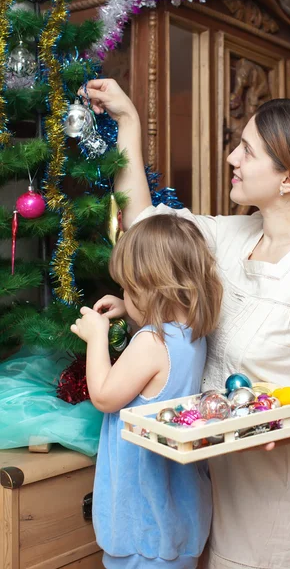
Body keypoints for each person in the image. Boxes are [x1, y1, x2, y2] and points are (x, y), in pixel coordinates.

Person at [79, 79, 290, 569]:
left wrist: (273, 426)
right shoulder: (234, 236)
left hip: (278, 518)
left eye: (247, 150)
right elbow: (147, 227)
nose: (232, 158)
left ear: (289, 179)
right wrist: (128, 122)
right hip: (207, 498)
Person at [70, 213, 223, 569]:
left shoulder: (150, 342)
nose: (124, 293)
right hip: (178, 518)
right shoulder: (191, 333)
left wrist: (97, 338)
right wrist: (132, 309)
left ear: (150, 289)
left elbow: (105, 395)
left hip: (144, 522)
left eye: (128, 288)